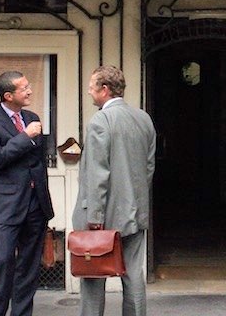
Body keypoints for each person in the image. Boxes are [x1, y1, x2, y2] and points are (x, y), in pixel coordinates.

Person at [72, 65, 156, 316]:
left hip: (103, 216)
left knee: (92, 279)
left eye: (91, 86)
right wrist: (136, 200)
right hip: (135, 212)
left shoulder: (101, 120)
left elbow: (97, 174)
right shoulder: (143, 118)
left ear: (105, 90)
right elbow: (149, 167)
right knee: (133, 275)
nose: (89, 91)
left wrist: (94, 218)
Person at [0, 70, 55, 316]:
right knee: (3, 262)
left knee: (29, 269)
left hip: (35, 205)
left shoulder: (32, 117)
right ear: (8, 96)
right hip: (6, 206)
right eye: (24, 88)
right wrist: (25, 136)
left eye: (29, 85)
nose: (30, 91)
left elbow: (38, 162)